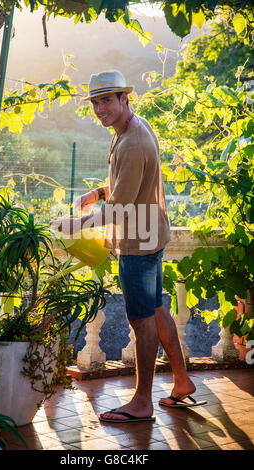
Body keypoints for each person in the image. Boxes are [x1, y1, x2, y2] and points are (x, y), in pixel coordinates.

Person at [51, 70, 206, 423]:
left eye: (107, 99)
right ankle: (181, 381)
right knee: (156, 308)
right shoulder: (133, 128)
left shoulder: (133, 141)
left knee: (140, 321)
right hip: (151, 235)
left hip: (137, 244)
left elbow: (121, 208)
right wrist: (99, 192)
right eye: (95, 102)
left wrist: (73, 224)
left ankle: (142, 402)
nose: (100, 108)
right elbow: (129, 186)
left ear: (124, 98)